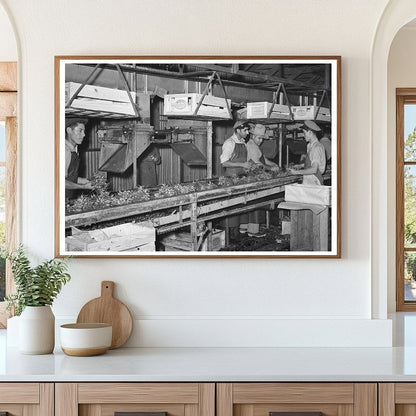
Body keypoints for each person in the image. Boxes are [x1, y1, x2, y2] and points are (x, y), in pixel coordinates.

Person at [220, 120, 251, 239]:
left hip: (242, 178)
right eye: (245, 130)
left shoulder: (243, 142)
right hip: (231, 180)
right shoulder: (230, 143)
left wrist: (247, 168)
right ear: (238, 130)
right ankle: (229, 236)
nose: (247, 133)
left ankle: (237, 234)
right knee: (232, 207)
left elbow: (243, 160)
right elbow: (224, 163)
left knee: (241, 206)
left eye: (248, 130)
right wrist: (242, 165)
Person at [288, 120, 326, 185]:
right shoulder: (310, 145)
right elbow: (312, 162)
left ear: (310, 133)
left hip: (314, 179)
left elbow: (314, 169)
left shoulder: (316, 147)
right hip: (309, 178)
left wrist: (296, 172)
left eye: (304, 133)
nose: (303, 135)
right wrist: (300, 166)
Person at [65, 117, 92, 199]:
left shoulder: (73, 150)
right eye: (80, 130)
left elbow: (70, 177)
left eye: (84, 131)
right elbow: (59, 182)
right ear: (69, 130)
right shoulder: (65, 151)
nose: (84, 135)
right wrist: (83, 187)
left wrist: (86, 181)